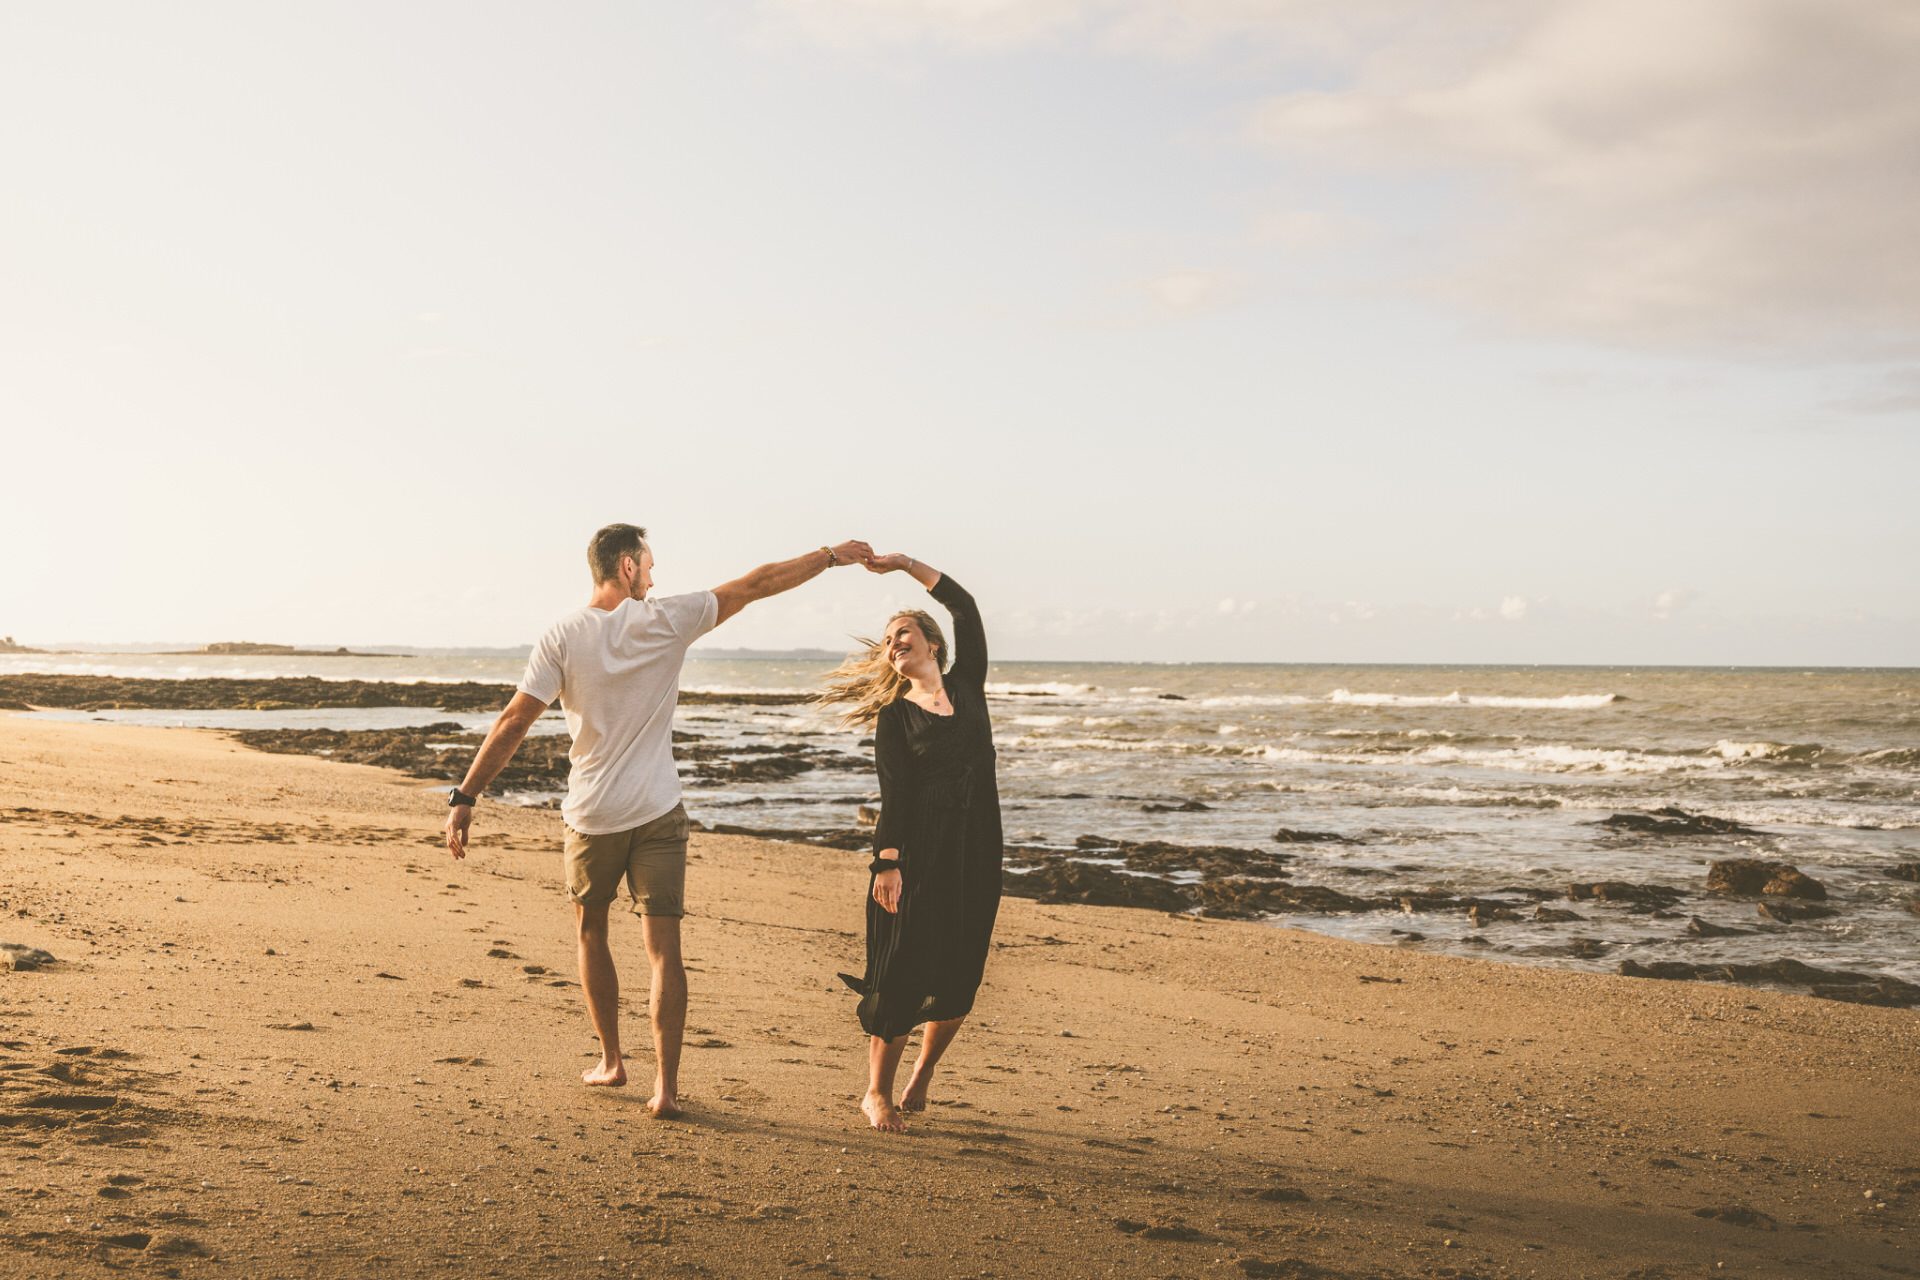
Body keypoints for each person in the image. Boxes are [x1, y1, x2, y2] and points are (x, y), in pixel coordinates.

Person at [445, 524, 874, 1116]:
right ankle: (666, 1088)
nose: (654, 576)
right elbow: (757, 584)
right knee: (663, 950)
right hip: (658, 812)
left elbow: (515, 720)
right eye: (649, 565)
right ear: (626, 566)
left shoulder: (562, 635)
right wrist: (831, 556)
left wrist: (466, 795)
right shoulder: (669, 620)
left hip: (593, 814)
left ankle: (613, 1062)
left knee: (591, 932)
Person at [820, 555, 1003, 1133]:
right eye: (888, 641)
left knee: (960, 969)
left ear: (933, 644)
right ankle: (875, 1092)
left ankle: (919, 1079)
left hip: (975, 849)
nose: (895, 643)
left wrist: (902, 565)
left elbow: (964, 605)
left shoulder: (969, 684)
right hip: (919, 853)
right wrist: (887, 863)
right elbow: (894, 793)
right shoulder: (895, 717)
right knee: (899, 969)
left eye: (904, 634)